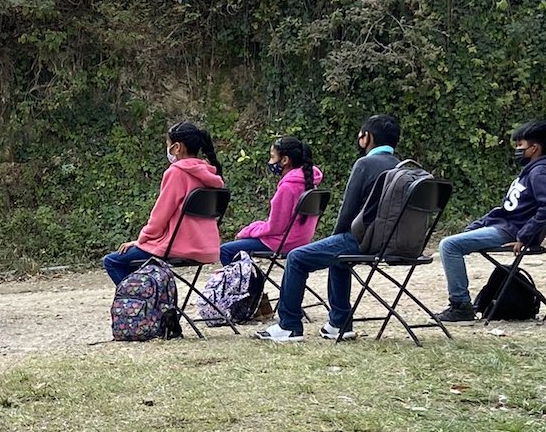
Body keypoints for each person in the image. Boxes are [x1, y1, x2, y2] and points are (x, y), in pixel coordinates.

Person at [256, 115, 401, 342]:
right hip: (396, 243)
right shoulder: (403, 167)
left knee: (296, 258)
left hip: (365, 241)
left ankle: (289, 325)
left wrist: (335, 238)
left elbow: (348, 210)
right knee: (339, 260)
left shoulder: (365, 164)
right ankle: (339, 324)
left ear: (366, 138)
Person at [435, 120, 546, 322]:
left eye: (520, 146)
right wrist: (476, 226)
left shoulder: (539, 172)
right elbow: (506, 210)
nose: (517, 150)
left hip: (511, 232)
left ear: (534, 148)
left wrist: (525, 236)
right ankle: (462, 305)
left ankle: (461, 306)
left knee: (449, 245)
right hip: (506, 226)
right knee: (454, 241)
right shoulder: (531, 171)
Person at [103, 122, 225, 285]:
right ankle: (154, 301)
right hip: (206, 249)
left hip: (176, 247)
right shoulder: (211, 175)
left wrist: (141, 241)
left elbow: (159, 217)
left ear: (177, 147)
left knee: (112, 261)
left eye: (167, 144)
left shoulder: (177, 173)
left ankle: (142, 304)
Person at [220, 137, 324, 265]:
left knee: (225, 250)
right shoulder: (310, 183)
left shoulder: (287, 188)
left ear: (285, 160)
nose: (270, 161)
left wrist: (248, 231)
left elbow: (276, 228)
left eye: (272, 157)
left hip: (283, 242)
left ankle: (240, 284)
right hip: (302, 240)